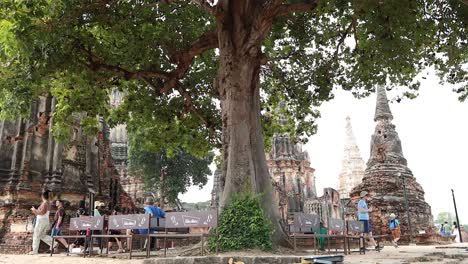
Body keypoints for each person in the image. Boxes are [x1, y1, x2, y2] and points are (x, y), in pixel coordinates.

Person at [29, 190, 51, 255]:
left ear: (43, 196)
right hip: (45, 220)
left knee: (36, 235)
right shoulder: (48, 203)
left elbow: (42, 212)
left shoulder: (45, 203)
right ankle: (54, 243)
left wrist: (34, 210)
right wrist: (36, 211)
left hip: (41, 221)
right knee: (42, 235)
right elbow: (42, 212)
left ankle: (35, 251)